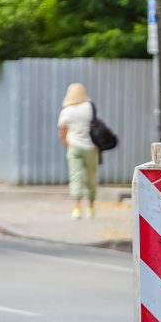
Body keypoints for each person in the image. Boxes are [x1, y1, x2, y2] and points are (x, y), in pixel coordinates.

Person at [57, 82, 98, 219]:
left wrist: (66, 142)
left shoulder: (66, 111)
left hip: (74, 147)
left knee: (75, 176)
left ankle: (77, 209)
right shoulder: (89, 107)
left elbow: (62, 131)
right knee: (90, 177)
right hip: (91, 147)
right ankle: (91, 208)